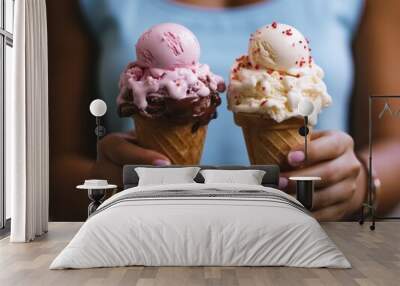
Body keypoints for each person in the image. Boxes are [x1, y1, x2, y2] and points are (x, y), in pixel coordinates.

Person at [48, 0, 400, 221]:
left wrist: (362, 187)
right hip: (149, 246)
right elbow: (48, 163)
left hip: (310, 241)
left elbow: (395, 140)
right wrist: (103, 184)